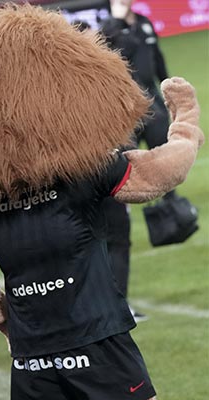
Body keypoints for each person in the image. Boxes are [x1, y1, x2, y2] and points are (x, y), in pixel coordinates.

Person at [0, 5, 203, 400]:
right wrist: (186, 122)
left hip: (33, 353)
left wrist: (6, 320)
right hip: (96, 332)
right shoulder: (83, 169)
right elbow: (163, 170)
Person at [100, 0, 171, 320]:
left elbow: (156, 58)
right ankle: (114, 304)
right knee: (115, 235)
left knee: (163, 159)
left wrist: (167, 87)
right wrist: (117, 22)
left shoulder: (144, 22)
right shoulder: (107, 28)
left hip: (153, 101)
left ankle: (169, 210)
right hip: (126, 112)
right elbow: (116, 53)